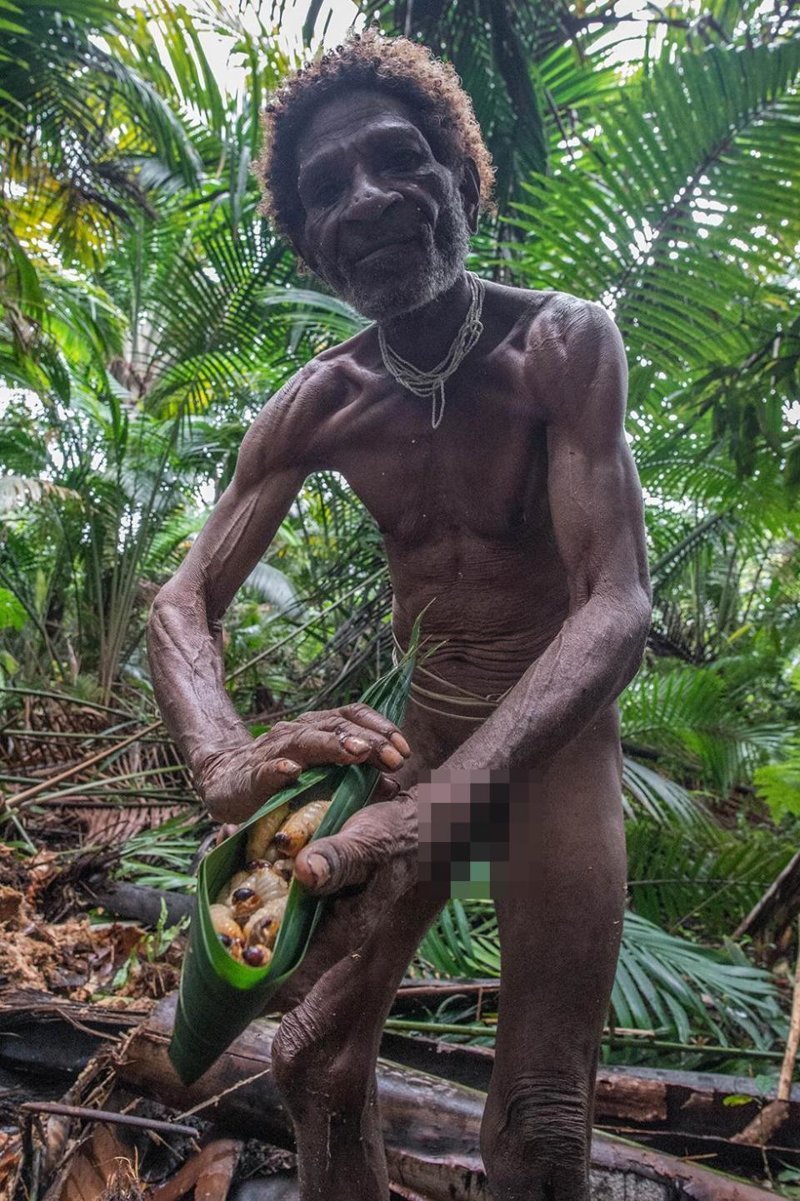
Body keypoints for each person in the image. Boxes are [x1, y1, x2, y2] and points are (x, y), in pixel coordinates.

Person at [147, 29, 651, 1201]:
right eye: (327, 188)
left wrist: (439, 813)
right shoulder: (318, 405)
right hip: (414, 739)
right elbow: (181, 600)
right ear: (307, 240)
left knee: (538, 1126)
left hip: (555, 752)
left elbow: (616, 605)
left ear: (458, 176)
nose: (367, 198)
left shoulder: (560, 347)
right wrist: (224, 755)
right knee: (316, 1056)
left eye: (398, 159)